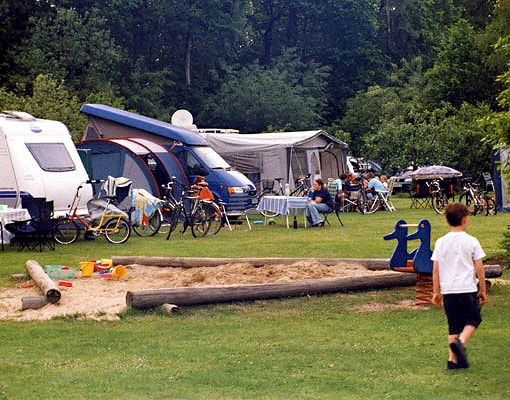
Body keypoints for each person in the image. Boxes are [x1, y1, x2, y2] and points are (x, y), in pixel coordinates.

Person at [431, 202, 487, 370]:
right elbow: (479, 268)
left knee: (453, 324)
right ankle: (460, 343)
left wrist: (436, 292)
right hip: (467, 290)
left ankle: (452, 361)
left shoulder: (441, 242)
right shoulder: (471, 241)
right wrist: (483, 289)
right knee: (474, 319)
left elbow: (435, 269)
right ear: (465, 219)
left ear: (447, 221)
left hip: (448, 290)